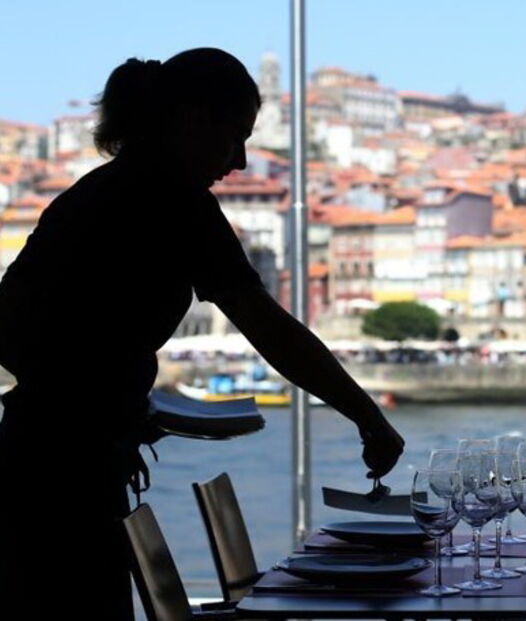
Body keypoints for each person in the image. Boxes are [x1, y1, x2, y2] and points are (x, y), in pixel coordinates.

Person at [0, 48, 404, 620]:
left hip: (45, 458)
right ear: (191, 120)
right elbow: (270, 327)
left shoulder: (98, 194)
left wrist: (108, 398)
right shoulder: (171, 202)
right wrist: (368, 416)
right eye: (234, 136)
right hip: (66, 479)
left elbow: (16, 327)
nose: (239, 160)